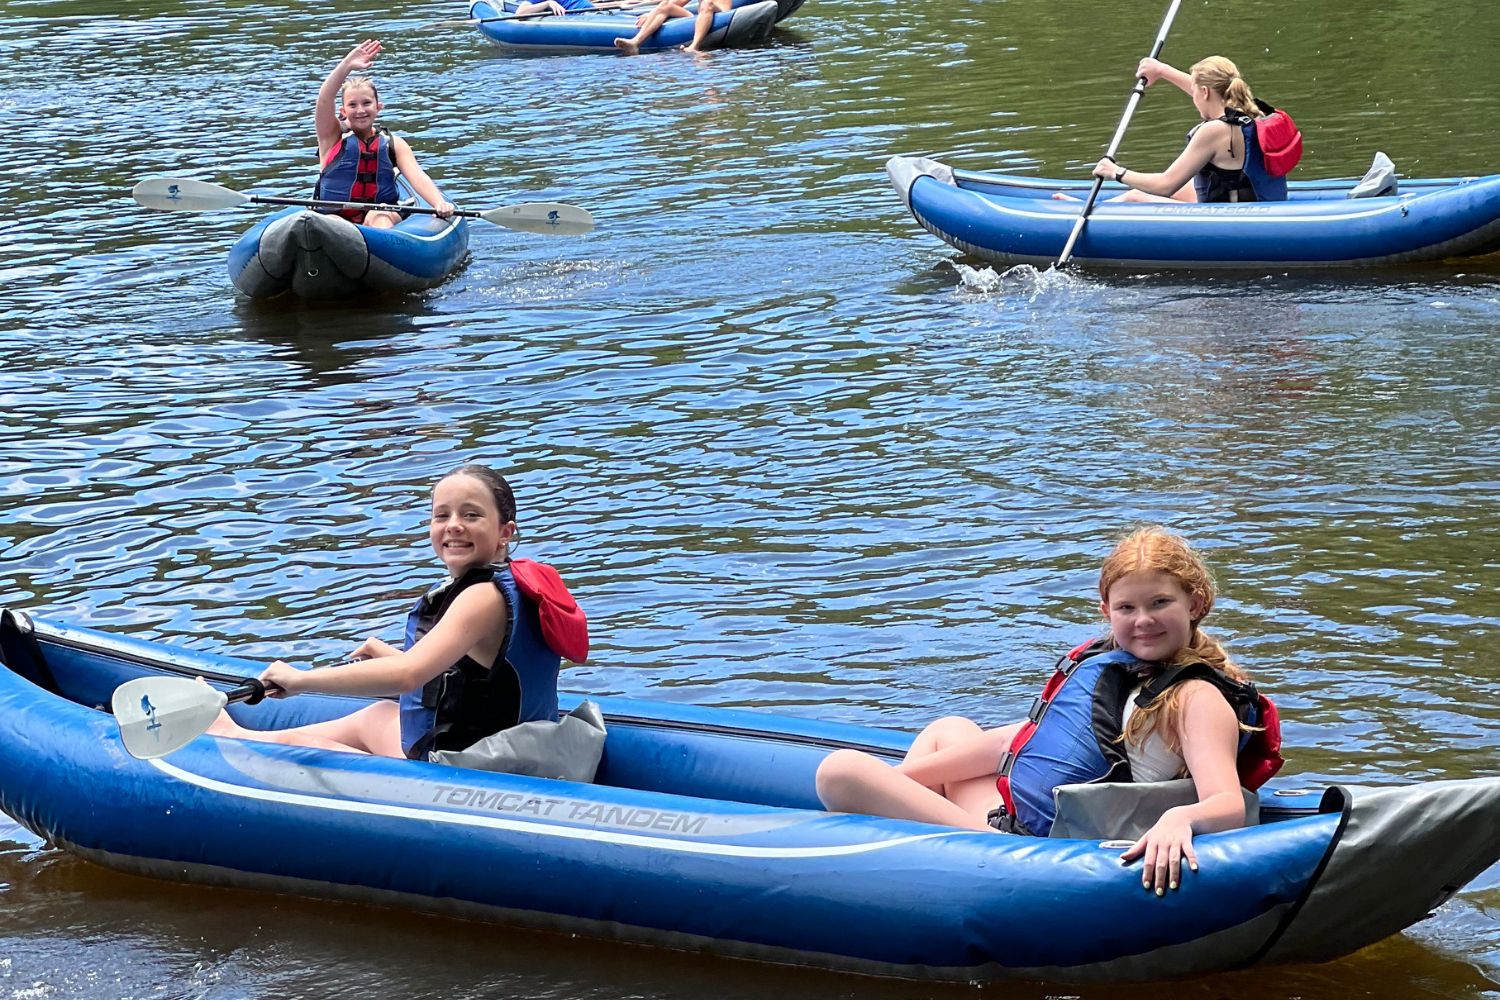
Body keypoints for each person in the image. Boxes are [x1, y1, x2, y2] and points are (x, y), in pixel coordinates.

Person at [815, 526, 1280, 896]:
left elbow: (1226, 804)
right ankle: (912, 837)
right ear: (1106, 611)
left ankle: (937, 854)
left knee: (840, 773)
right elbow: (1009, 743)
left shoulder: (1197, 697)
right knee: (949, 729)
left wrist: (1180, 819)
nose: (1143, 620)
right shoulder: (1122, 671)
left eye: (1160, 603)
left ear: (1194, 604)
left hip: (1043, 852)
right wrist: (899, 784)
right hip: (1030, 820)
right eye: (1127, 607)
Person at [208, 464, 585, 758]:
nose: (453, 526)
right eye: (442, 515)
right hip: (526, 746)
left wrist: (301, 680)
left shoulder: (480, 597)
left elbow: (407, 676)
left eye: (471, 515)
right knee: (379, 718)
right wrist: (388, 656)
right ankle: (251, 737)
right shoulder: (521, 582)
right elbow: (485, 678)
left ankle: (233, 738)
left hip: (479, 767)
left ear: (505, 531)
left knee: (346, 733)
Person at [1064, 56, 1279, 204]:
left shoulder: (1213, 131)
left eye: (1195, 92)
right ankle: (1093, 208)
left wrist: (1115, 171)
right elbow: (1207, 90)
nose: (1193, 98)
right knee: (1178, 188)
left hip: (1230, 214)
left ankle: (1082, 214)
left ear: (1205, 92)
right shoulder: (1251, 110)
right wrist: (1162, 70)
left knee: (1136, 197)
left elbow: (1165, 185)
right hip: (1249, 198)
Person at [313, 40, 454, 227]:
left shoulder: (393, 144)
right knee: (331, 223)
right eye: (352, 105)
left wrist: (438, 203)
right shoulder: (332, 136)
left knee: (379, 216)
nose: (360, 110)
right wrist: (346, 65)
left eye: (366, 103)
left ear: (378, 107)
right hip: (335, 217)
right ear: (343, 111)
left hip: (378, 215)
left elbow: (417, 176)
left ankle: (381, 250)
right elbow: (324, 99)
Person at [613, 0, 734, 55]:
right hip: (701, 17)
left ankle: (695, 46)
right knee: (666, 5)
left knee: (707, 3)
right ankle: (635, 42)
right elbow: (673, 2)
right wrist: (651, 14)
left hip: (721, 15)